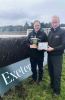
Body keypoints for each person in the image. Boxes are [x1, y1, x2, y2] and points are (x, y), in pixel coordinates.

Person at [47, 16, 65, 95]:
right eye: (53, 22)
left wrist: (53, 49)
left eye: (55, 22)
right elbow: (48, 43)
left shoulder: (62, 32)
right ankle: (52, 85)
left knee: (57, 73)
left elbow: (63, 45)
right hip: (49, 55)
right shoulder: (50, 32)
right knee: (51, 72)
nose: (54, 24)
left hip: (57, 56)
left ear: (59, 22)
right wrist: (44, 46)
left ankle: (57, 91)